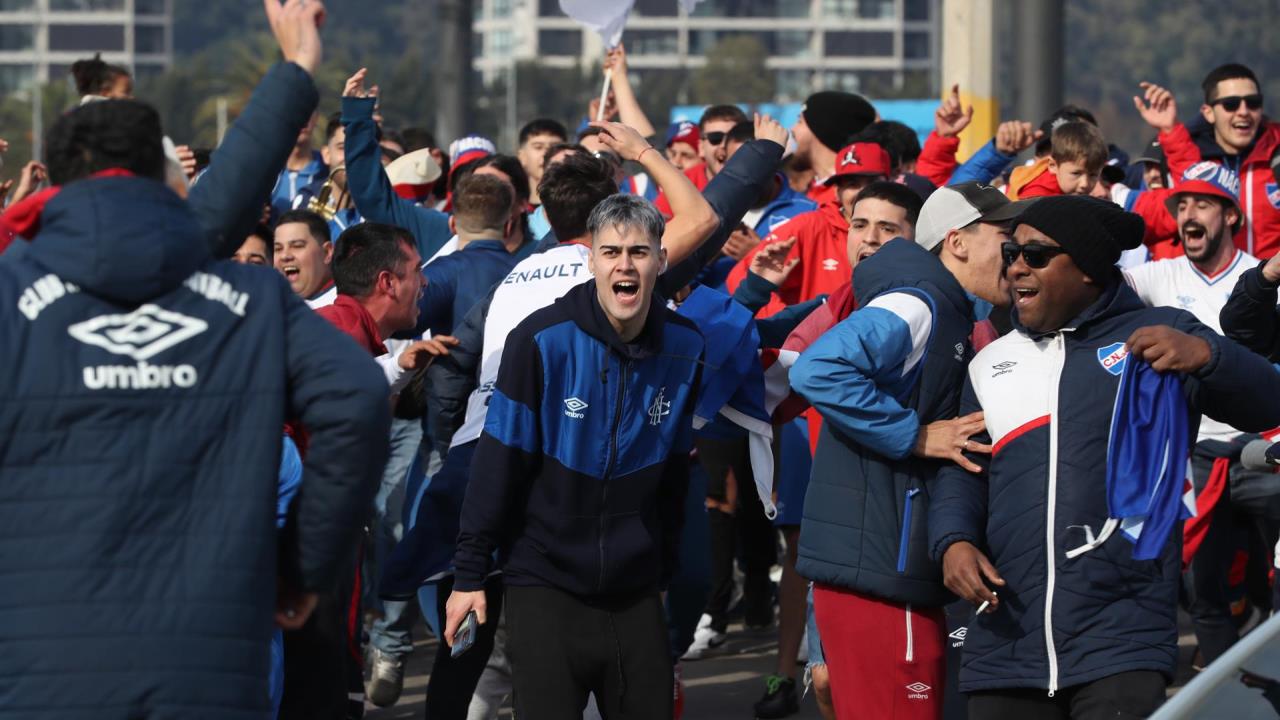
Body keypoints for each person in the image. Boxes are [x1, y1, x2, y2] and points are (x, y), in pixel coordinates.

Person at [0, 3, 393, 717]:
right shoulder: (243, 296)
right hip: (211, 668)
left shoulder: (11, 291)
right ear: (167, 181)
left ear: (55, 187)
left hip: (40, 671)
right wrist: (304, 565)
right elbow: (358, 397)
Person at [929, 195, 1280, 719]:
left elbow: (1267, 402)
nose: (1016, 267)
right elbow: (965, 470)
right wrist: (952, 541)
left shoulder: (1163, 332)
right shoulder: (989, 361)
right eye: (1010, 253)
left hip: (1120, 635)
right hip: (1006, 636)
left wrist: (1210, 357)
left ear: (1089, 269)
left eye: (1035, 255)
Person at [444, 193, 705, 718]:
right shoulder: (540, 339)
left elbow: (676, 473)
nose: (624, 265)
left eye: (638, 252)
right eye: (611, 252)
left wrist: (664, 570)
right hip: (544, 582)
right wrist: (469, 576)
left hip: (634, 589)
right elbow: (498, 465)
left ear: (660, 260)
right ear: (590, 260)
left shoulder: (686, 345)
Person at [788, 181, 1026, 720]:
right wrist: (914, 435)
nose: (1015, 254)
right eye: (1004, 237)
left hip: (888, 572)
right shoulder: (918, 303)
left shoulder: (949, 308)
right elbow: (817, 369)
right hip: (879, 578)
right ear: (957, 242)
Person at [1121, 163, 1270, 667]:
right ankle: (1221, 688)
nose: (1188, 215)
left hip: (1265, 450)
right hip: (1196, 454)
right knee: (1200, 587)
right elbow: (1093, 286)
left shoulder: (1263, 276)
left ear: (1231, 215)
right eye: (1180, 205)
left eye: (1202, 204)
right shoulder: (1158, 274)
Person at [726, 142, 891, 318]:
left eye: (872, 182)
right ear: (837, 192)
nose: (862, 192)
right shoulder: (811, 225)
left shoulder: (903, 230)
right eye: (852, 183)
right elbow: (741, 275)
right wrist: (784, 322)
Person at [1134, 66, 1280, 258]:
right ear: (1208, 112)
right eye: (1231, 104)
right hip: (1207, 277)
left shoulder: (1276, 158)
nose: (1243, 111)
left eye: (1253, 103)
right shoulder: (1192, 161)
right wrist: (1169, 128)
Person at [654, 104, 750, 216]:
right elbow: (656, 225)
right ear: (701, 148)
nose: (724, 145)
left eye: (732, 138)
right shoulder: (681, 186)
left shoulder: (763, 181)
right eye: (715, 138)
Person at [789, 90, 878, 204]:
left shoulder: (848, 200)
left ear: (822, 131)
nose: (792, 128)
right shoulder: (809, 191)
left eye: (800, 121)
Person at [1006, 121, 1108, 199]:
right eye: (1076, 173)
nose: (1084, 184)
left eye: (1093, 175)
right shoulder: (1037, 197)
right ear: (1053, 165)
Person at [273, 207, 335, 306]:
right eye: (278, 249)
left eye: (297, 246)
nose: (284, 256)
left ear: (327, 252)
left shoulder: (346, 308)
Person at [271, 111, 327, 218]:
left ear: (316, 117)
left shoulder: (328, 171)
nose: (303, 121)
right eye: (296, 110)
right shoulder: (264, 171)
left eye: (308, 111)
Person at [516, 118, 568, 207]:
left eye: (554, 147)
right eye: (538, 147)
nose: (545, 154)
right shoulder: (513, 210)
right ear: (521, 156)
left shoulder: (580, 208)